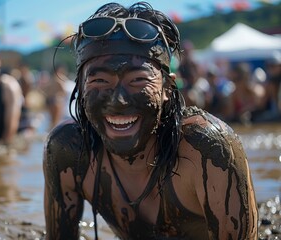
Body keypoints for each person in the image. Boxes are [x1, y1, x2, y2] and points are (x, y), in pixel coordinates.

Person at [43, 2, 258, 240]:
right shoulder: (69, 151)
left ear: (168, 86)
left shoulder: (207, 151)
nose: (119, 101)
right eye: (100, 81)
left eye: (137, 80)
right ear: (81, 89)